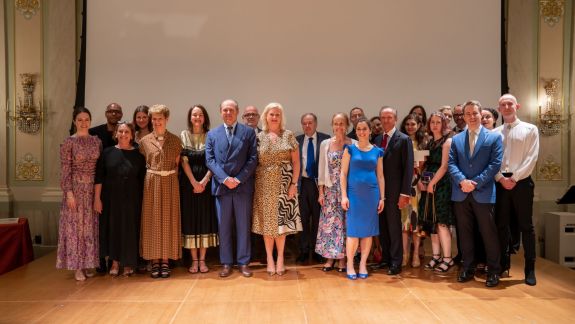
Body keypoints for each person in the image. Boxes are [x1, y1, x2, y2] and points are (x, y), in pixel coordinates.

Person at [448, 100, 503, 288]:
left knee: (489, 234)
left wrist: (475, 182)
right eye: (468, 113)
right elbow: (452, 164)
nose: (472, 116)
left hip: (483, 192)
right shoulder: (456, 139)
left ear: (481, 115)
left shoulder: (494, 138)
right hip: (461, 192)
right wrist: (463, 181)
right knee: (464, 234)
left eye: (475, 113)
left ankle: (494, 270)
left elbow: (495, 164)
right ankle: (467, 268)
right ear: (463, 117)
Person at [205, 99, 258, 278]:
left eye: (231, 110)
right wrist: (225, 179)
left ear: (237, 111)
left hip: (242, 186)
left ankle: (243, 262)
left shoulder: (249, 132)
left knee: (243, 226)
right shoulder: (212, 134)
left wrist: (239, 179)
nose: (228, 113)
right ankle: (226, 262)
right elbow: (210, 160)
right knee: (224, 227)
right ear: (220, 112)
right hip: (222, 187)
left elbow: (252, 159)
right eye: (225, 110)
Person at [252, 103, 303, 276]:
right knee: (268, 225)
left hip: (284, 183)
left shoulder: (288, 135)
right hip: (264, 184)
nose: (274, 117)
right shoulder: (259, 137)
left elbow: (296, 162)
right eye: (271, 114)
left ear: (281, 118)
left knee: (281, 224)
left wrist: (294, 184)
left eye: (277, 115)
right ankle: (270, 259)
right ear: (265, 116)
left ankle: (280, 257)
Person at [494, 94, 539, 286]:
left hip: (521, 182)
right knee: (501, 226)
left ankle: (530, 270)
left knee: (526, 227)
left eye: (509, 103)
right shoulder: (495, 133)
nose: (506, 107)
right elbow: (492, 161)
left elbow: (532, 157)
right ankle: (504, 265)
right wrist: (500, 179)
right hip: (501, 183)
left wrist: (514, 178)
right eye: (502, 104)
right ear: (499, 108)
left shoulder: (530, 129)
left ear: (517, 106)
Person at [94, 122, 146, 277]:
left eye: (127, 132)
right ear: (116, 134)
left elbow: (143, 179)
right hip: (111, 198)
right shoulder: (107, 153)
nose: (123, 134)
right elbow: (99, 177)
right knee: (113, 229)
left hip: (132, 198)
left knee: (130, 229)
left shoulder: (138, 155)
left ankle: (128, 263)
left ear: (132, 135)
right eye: (120, 131)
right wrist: (97, 199)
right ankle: (115, 262)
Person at [56, 107, 102, 281]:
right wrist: (69, 194)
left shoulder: (96, 141)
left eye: (86, 119)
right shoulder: (69, 142)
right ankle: (77, 266)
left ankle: (87, 263)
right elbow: (65, 170)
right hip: (75, 190)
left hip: (91, 190)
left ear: (90, 121)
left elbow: (99, 169)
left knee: (89, 228)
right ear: (74, 121)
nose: (84, 123)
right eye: (80, 119)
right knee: (76, 229)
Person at [139, 104, 182, 279]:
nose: (157, 122)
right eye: (154, 119)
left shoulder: (176, 140)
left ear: (166, 119)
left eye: (160, 119)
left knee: (169, 220)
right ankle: (154, 260)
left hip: (170, 182)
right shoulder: (144, 141)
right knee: (153, 221)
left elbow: (177, 164)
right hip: (152, 183)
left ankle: (165, 260)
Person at [341, 117, 385, 280]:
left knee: (368, 233)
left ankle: (363, 264)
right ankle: (350, 264)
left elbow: (380, 176)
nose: (361, 132)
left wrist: (382, 198)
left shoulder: (377, 151)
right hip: (354, 196)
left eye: (364, 129)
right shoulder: (350, 149)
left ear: (370, 131)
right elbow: (343, 173)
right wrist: (344, 195)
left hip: (372, 197)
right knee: (353, 233)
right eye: (358, 129)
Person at [371, 107, 414, 275]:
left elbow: (408, 168)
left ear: (395, 119)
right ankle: (386, 258)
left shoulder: (403, 140)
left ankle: (396, 262)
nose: (385, 120)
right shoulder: (377, 138)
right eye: (383, 117)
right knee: (382, 226)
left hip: (396, 192)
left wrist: (404, 193)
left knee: (394, 227)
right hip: (379, 192)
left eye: (389, 117)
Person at [180, 105, 219, 274]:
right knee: (190, 220)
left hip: (206, 185)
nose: (197, 117)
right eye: (194, 115)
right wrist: (194, 182)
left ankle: (202, 260)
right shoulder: (184, 135)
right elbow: (184, 161)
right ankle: (193, 261)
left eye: (200, 115)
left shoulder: (211, 135)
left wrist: (203, 181)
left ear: (205, 118)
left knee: (204, 220)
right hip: (188, 185)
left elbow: (214, 161)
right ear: (190, 117)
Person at [315, 113, 355, 272]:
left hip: (348, 190)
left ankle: (343, 259)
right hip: (330, 190)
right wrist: (321, 192)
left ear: (347, 126)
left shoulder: (353, 143)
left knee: (346, 224)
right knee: (329, 225)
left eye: (342, 124)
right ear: (332, 125)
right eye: (336, 123)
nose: (339, 127)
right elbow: (321, 169)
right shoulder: (325, 144)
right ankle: (330, 258)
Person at [418, 112, 455, 273]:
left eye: (438, 122)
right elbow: (423, 164)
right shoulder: (429, 142)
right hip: (428, 183)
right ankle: (436, 256)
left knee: (441, 222)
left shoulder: (447, 142)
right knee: (431, 222)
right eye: (432, 122)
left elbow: (444, 166)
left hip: (441, 184)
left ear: (444, 123)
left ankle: (448, 258)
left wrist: (432, 183)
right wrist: (420, 180)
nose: (434, 125)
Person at [89, 102, 123, 273]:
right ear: (105, 113)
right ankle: (101, 259)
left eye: (117, 111)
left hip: (119, 185)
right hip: (100, 183)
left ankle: (115, 259)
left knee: (116, 225)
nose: (114, 114)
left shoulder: (125, 133)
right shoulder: (94, 132)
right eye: (110, 111)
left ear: (121, 114)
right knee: (101, 225)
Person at [296, 113, 330, 264]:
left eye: (310, 123)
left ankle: (318, 251)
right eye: (304, 123)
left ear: (316, 124)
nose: (307, 126)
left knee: (318, 219)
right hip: (302, 184)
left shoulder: (325, 139)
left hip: (318, 184)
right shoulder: (297, 141)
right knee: (302, 220)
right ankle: (303, 250)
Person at [399, 113, 427, 268]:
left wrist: (420, 171)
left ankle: (416, 253)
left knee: (415, 224)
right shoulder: (401, 141)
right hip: (404, 186)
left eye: (413, 124)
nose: (410, 127)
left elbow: (428, 167)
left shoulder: (423, 143)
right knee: (404, 223)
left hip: (418, 187)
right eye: (408, 124)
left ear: (418, 126)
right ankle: (405, 254)